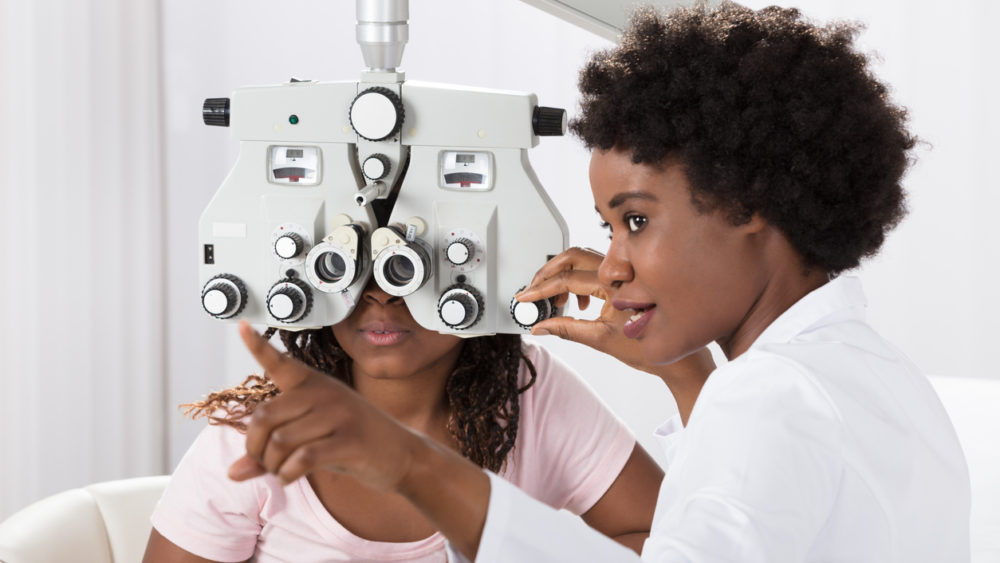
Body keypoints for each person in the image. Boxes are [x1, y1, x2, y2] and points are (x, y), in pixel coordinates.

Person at [218, 3, 971, 562]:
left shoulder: (773, 395)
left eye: (636, 222)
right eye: (609, 228)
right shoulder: (870, 374)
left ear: (747, 205)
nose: (609, 265)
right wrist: (686, 378)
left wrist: (414, 465)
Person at [142, 279, 679, 562]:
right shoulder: (257, 432)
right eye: (354, 266)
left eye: (412, 266)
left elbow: (666, 539)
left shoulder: (531, 392)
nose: (381, 292)